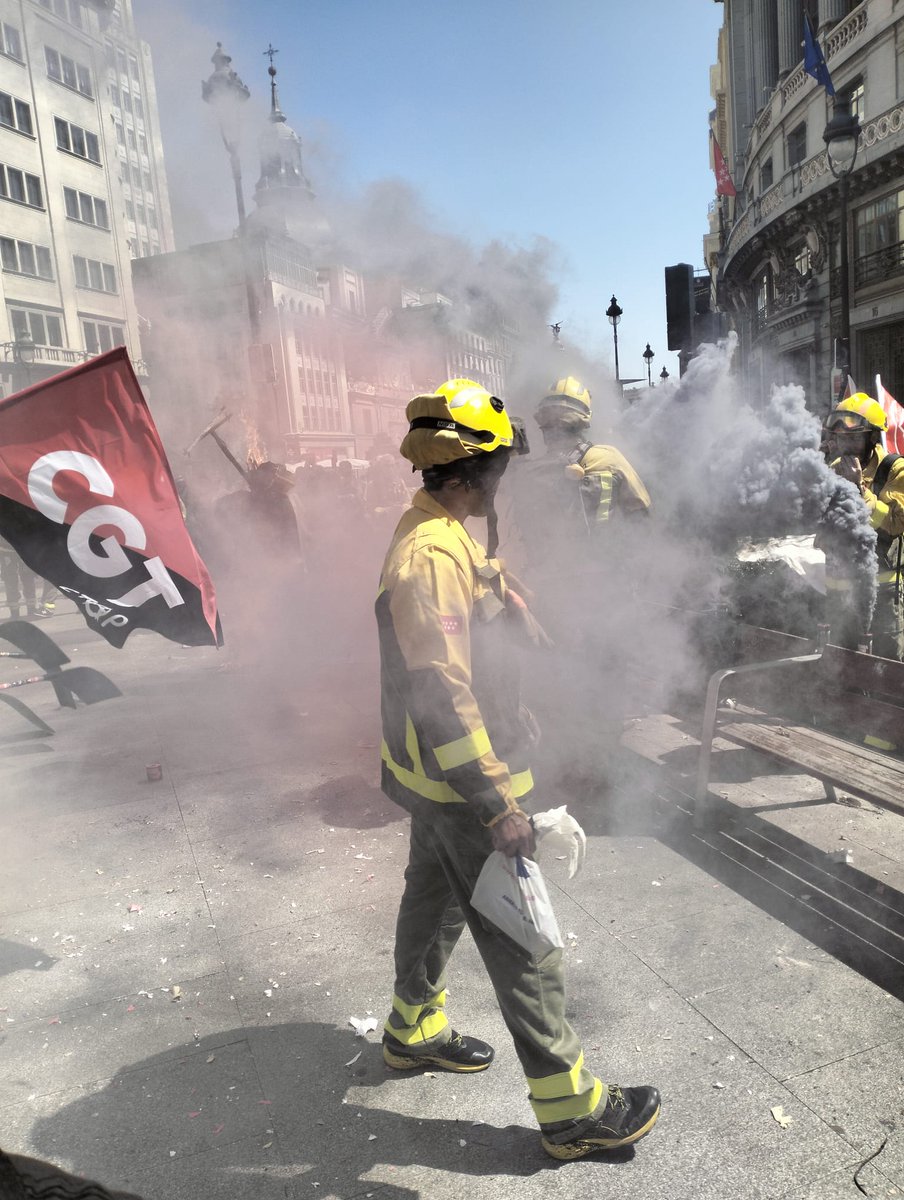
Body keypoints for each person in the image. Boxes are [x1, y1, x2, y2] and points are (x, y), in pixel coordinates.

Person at [375, 376, 661, 1160]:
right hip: (463, 784)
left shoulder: (436, 528)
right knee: (524, 940)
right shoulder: (433, 555)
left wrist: (504, 593)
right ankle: (573, 1110)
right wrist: (496, 800)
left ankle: (412, 1028)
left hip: (430, 781)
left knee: (432, 901)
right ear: (480, 470)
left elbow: (469, 620)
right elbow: (441, 688)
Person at [507, 376, 652, 789]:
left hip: (549, 593)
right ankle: (601, 766)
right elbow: (643, 513)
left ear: (543, 423)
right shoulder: (608, 458)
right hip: (605, 596)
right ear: (583, 419)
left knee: (559, 675)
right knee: (605, 678)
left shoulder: (529, 470)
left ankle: (560, 762)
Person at [823, 393, 904, 661]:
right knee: (841, 664)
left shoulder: (894, 469)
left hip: (882, 591)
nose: (846, 445)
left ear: (872, 438)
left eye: (854, 438)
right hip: (837, 587)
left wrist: (859, 490)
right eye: (841, 437)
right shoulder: (833, 468)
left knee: (886, 665)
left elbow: (896, 524)